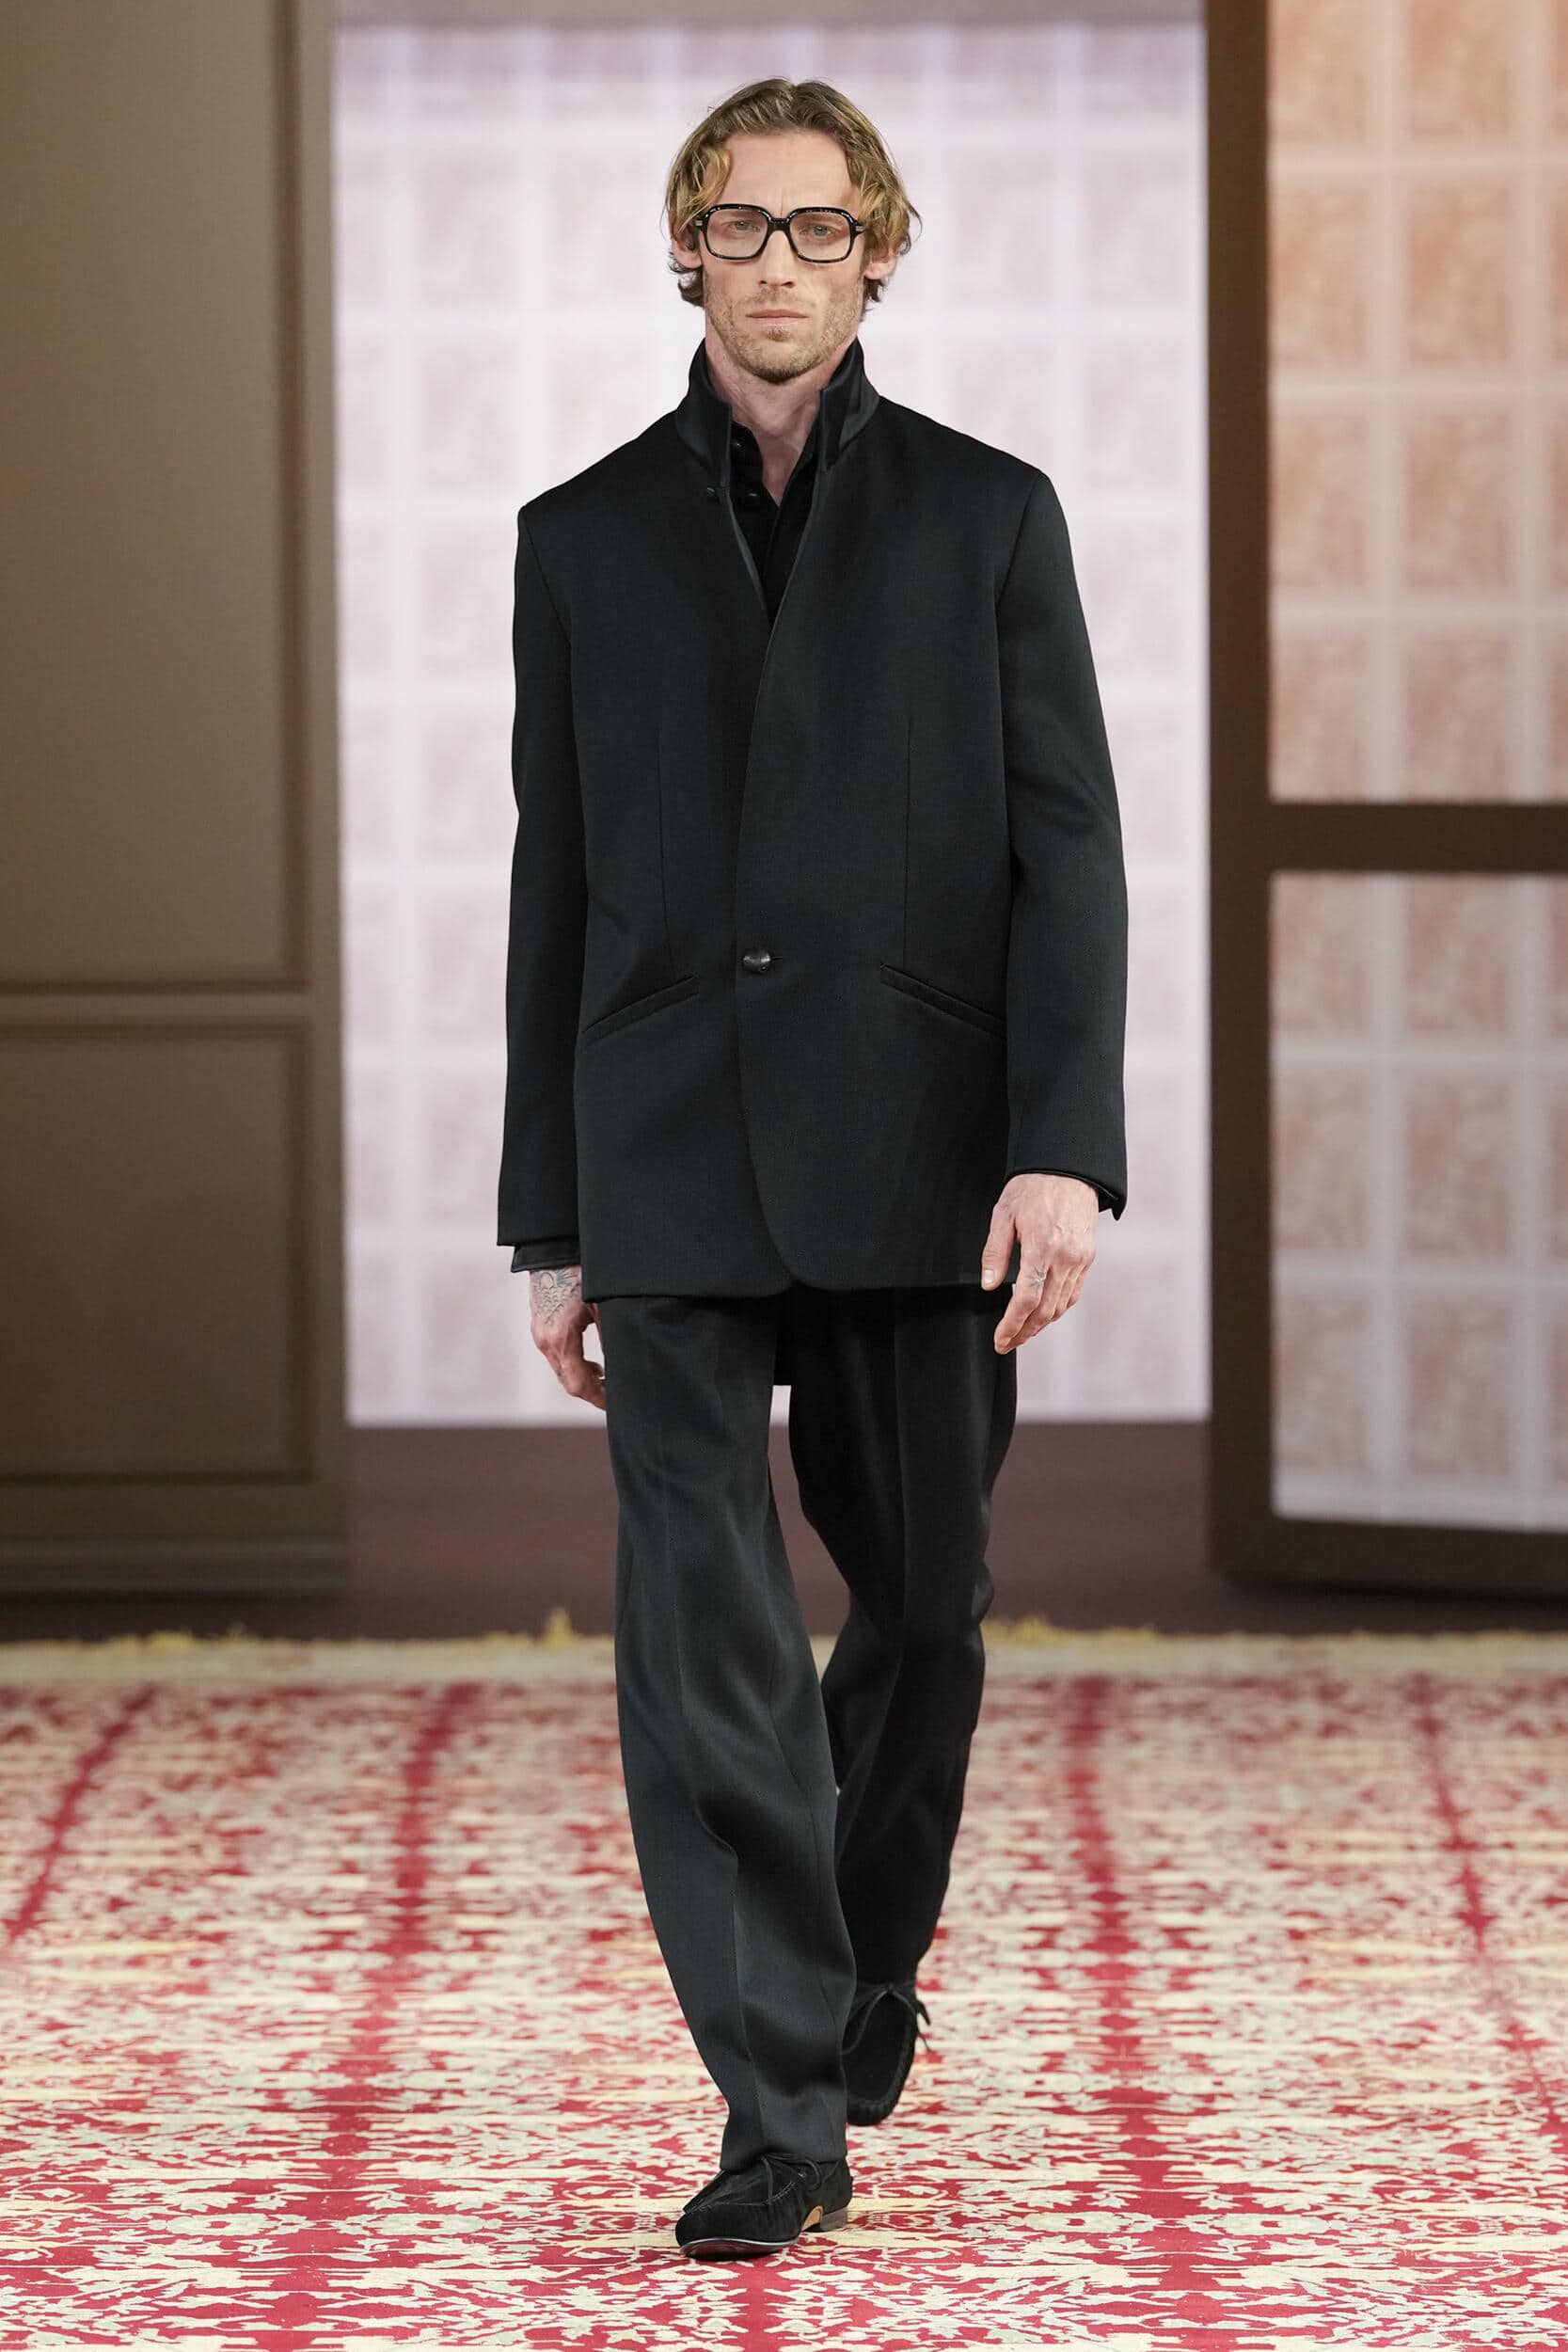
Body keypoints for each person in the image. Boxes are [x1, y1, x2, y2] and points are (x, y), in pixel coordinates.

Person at [498, 75, 1128, 2261]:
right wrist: (551, 1212)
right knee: (710, 1646)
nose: (782, 264)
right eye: (744, 227)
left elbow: (1069, 852)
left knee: (927, 1609)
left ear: (880, 251)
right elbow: (555, 886)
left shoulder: (988, 516)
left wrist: (1062, 1148)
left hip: (919, 1144)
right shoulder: (579, 538)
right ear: (687, 246)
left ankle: (859, 1955)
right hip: (666, 1147)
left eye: (823, 227)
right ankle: (780, 2102)